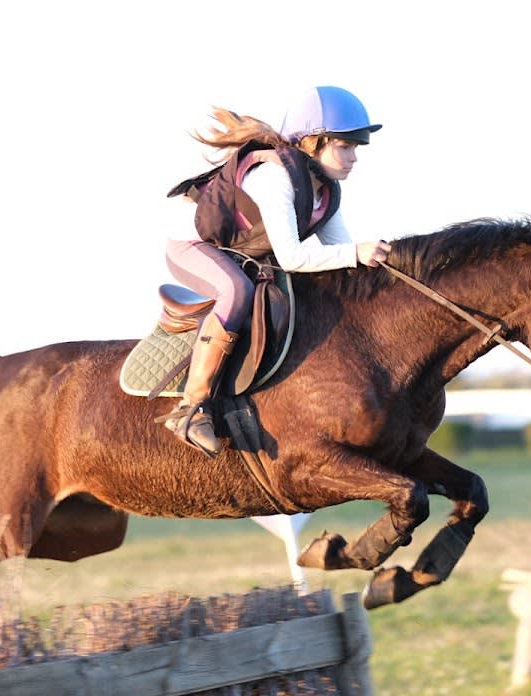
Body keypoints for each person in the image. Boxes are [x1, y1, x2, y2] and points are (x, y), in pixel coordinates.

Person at [162, 86, 392, 456]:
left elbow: (339, 256)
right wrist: (355, 253)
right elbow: (293, 258)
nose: (354, 158)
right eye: (345, 146)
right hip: (192, 247)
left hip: (239, 253)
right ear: (313, 142)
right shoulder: (276, 179)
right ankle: (191, 407)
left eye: (355, 148)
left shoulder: (325, 192)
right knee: (237, 291)